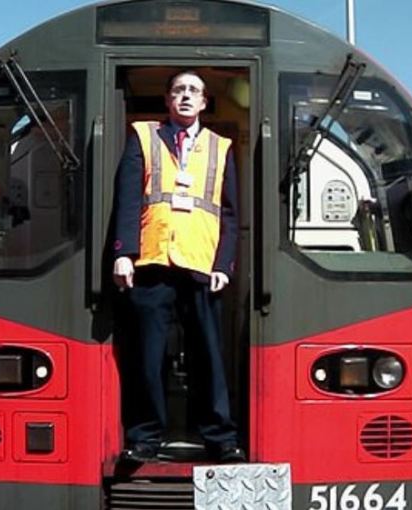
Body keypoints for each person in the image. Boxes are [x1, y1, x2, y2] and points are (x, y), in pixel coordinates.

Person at [111, 70, 244, 463]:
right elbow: (128, 199)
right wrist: (123, 252)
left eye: (194, 91)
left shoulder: (222, 147)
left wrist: (225, 263)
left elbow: (231, 215)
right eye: (179, 90)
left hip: (201, 265)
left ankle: (221, 439)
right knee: (147, 357)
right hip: (152, 262)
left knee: (208, 356)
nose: (186, 96)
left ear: (204, 102)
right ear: (168, 100)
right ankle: (145, 439)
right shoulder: (143, 136)